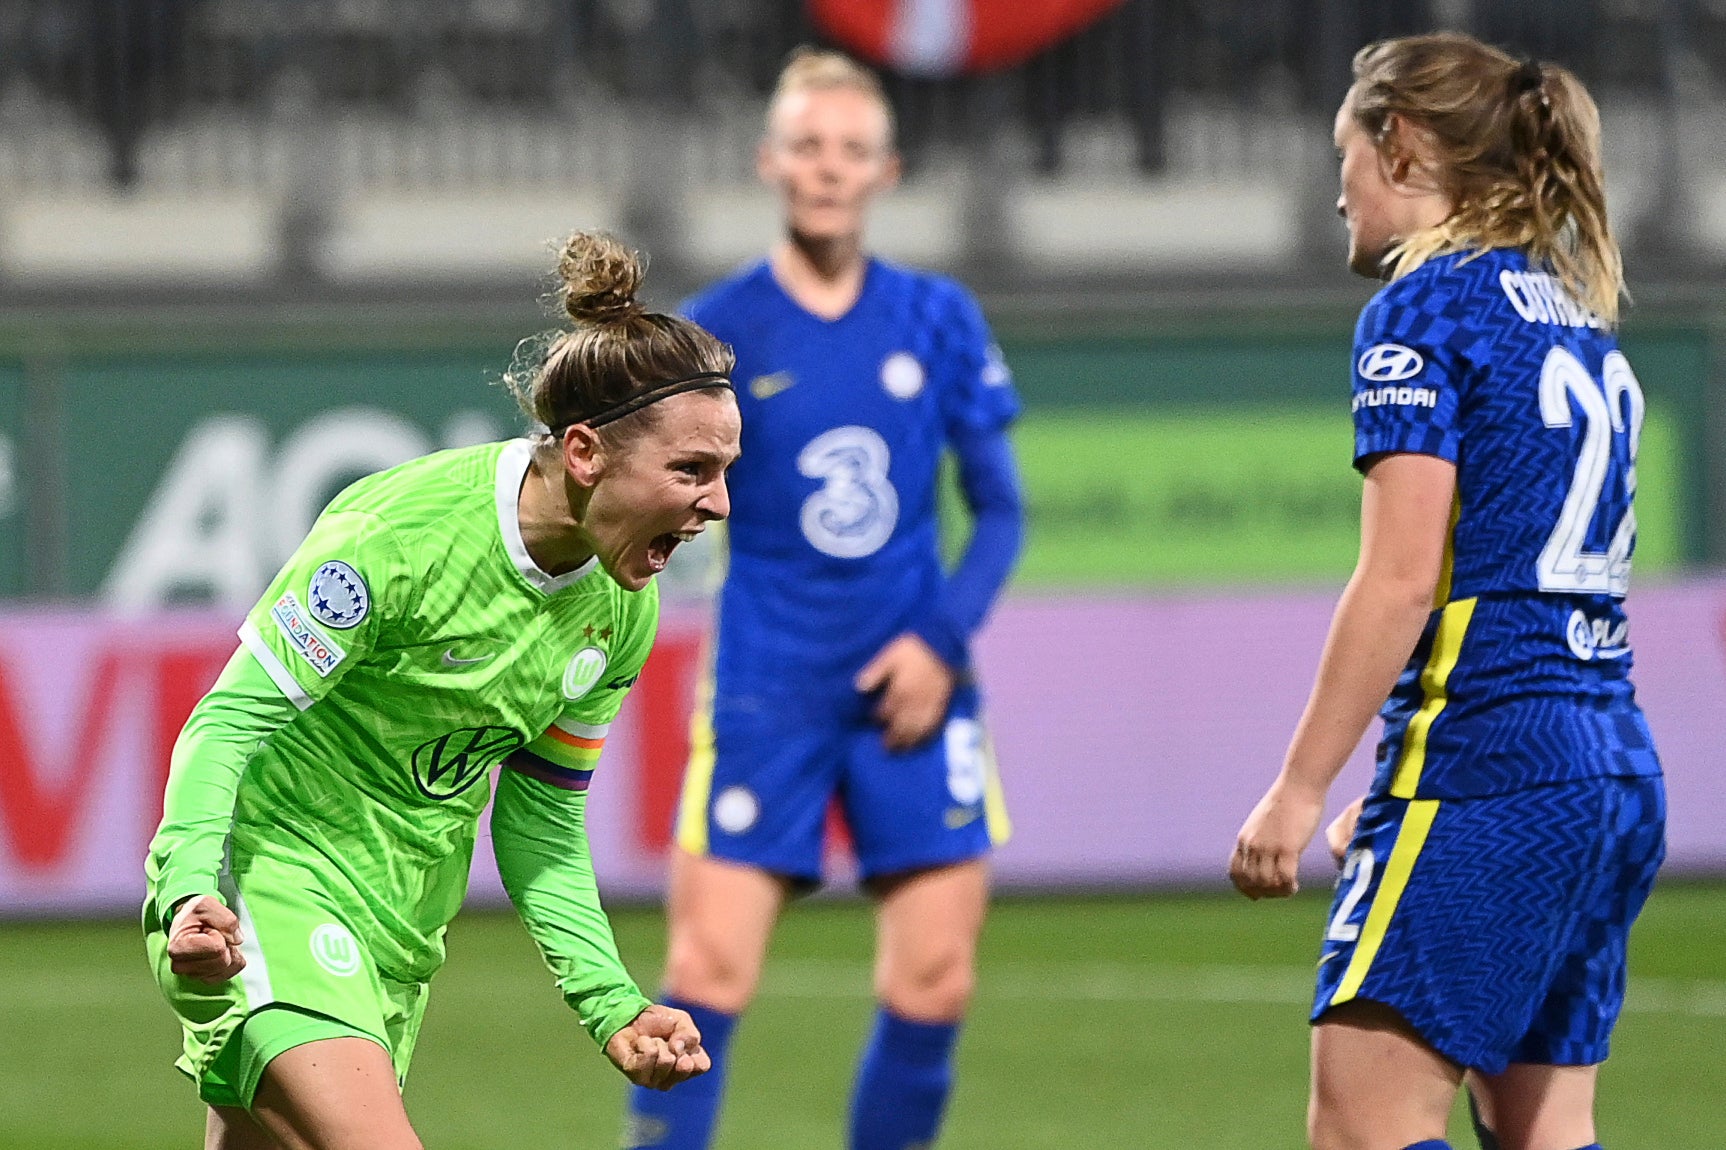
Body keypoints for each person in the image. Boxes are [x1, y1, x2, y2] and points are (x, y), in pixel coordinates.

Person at [143, 231, 740, 1149]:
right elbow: (226, 722)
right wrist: (189, 889)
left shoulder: (621, 611)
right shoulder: (400, 536)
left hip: (399, 936)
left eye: (724, 472)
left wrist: (612, 1003)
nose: (718, 503)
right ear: (585, 452)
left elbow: (541, 820)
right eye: (691, 471)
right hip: (265, 887)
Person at [1229, 32, 1665, 1150]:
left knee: (1362, 1125)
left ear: (1405, 146)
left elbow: (1400, 577)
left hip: (1492, 768)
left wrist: (1296, 784)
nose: (1336, 191)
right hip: (1607, 767)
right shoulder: (1578, 318)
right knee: (1543, 1126)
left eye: (1346, 154)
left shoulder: (1423, 313)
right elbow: (1507, 579)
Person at [622, 48, 1024, 1150]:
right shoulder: (716, 331)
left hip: (914, 681)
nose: (828, 168)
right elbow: (663, 495)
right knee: (703, 973)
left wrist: (938, 644)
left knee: (936, 980)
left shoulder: (937, 317)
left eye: (851, 149)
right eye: (807, 146)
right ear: (769, 161)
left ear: (886, 169)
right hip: (769, 685)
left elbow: (999, 513)